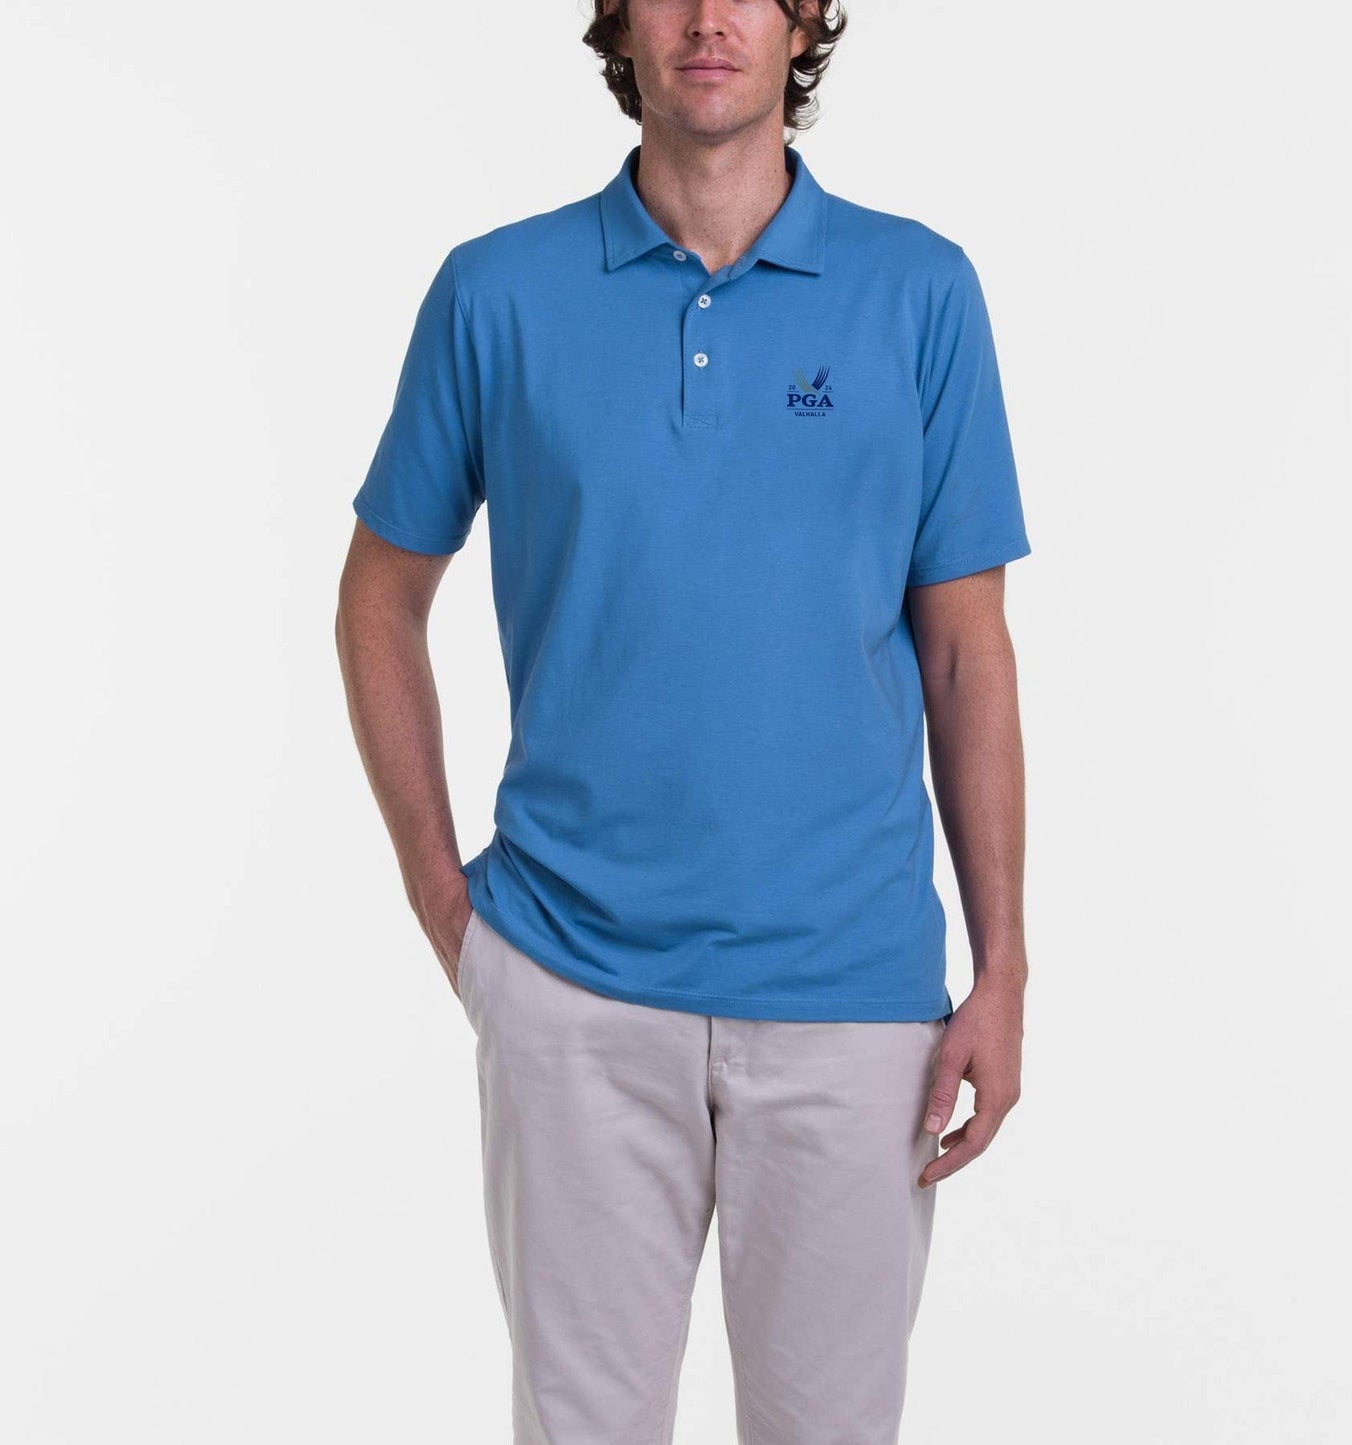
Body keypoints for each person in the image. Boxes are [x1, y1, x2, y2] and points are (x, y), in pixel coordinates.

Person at [335, 2, 1031, 1440]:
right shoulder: (497, 293)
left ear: (803, 20)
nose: (709, 18)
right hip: (571, 986)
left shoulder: (918, 291)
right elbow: (378, 600)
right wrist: (448, 910)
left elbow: (967, 651)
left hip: (853, 1001)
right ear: (616, 18)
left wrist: (1003, 965)